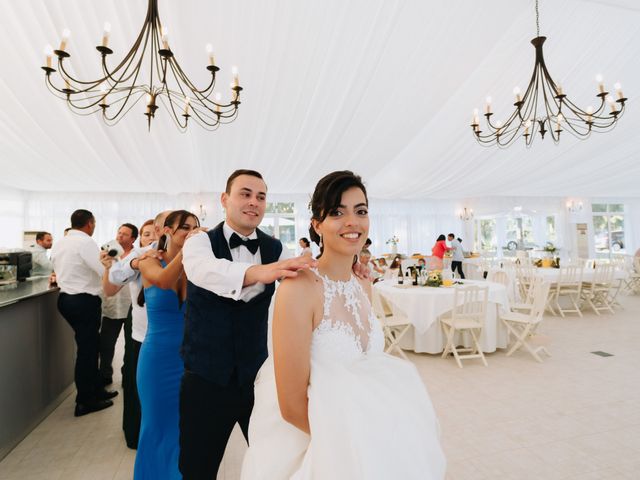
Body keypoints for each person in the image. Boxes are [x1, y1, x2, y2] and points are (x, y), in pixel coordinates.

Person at [241, 171, 445, 479]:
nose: (353, 222)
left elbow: (367, 369)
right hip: (323, 450)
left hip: (375, 437)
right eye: (337, 212)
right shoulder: (298, 289)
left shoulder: (363, 285)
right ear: (317, 224)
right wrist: (357, 447)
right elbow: (291, 404)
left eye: (361, 211)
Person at [179, 170, 317, 478]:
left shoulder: (276, 249)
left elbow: (305, 285)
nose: (254, 202)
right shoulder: (199, 243)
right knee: (196, 468)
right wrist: (261, 272)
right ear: (225, 199)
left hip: (259, 377)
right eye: (245, 193)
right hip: (205, 377)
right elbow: (204, 271)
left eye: (261, 196)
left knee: (273, 462)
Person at [133, 210, 200, 479]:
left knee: (186, 431)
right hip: (158, 360)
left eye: (196, 227)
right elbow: (163, 281)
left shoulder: (198, 266)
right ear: (167, 232)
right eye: (185, 227)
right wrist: (190, 249)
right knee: (157, 427)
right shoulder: (149, 262)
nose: (192, 232)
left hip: (192, 361)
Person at [102, 213, 169, 449]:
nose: (151, 237)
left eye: (154, 232)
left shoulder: (171, 256)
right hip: (139, 326)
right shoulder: (136, 258)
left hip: (167, 331)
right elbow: (110, 288)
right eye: (145, 234)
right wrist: (114, 265)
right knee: (133, 379)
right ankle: (134, 433)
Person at [51, 209, 118, 417]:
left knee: (91, 346)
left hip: (65, 298)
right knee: (88, 351)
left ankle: (96, 389)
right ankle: (85, 401)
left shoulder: (61, 241)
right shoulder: (86, 242)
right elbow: (102, 270)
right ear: (90, 223)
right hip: (83, 300)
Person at [99, 223, 137, 386]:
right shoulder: (109, 254)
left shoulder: (137, 255)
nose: (120, 236)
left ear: (133, 238)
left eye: (125, 234)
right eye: (119, 233)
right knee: (106, 344)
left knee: (130, 346)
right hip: (112, 305)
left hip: (132, 306)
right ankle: (105, 375)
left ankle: (127, 376)